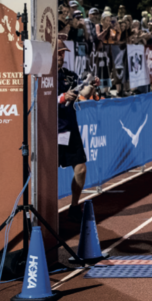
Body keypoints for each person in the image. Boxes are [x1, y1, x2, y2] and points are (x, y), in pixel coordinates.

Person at [57, 40, 98, 223]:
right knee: (47, 176)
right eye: (58, 52)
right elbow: (38, 100)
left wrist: (93, 84)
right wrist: (62, 97)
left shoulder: (70, 75)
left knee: (80, 170)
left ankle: (74, 206)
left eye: (63, 52)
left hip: (70, 130)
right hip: (49, 132)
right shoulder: (40, 76)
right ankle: (47, 212)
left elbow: (85, 93)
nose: (61, 56)